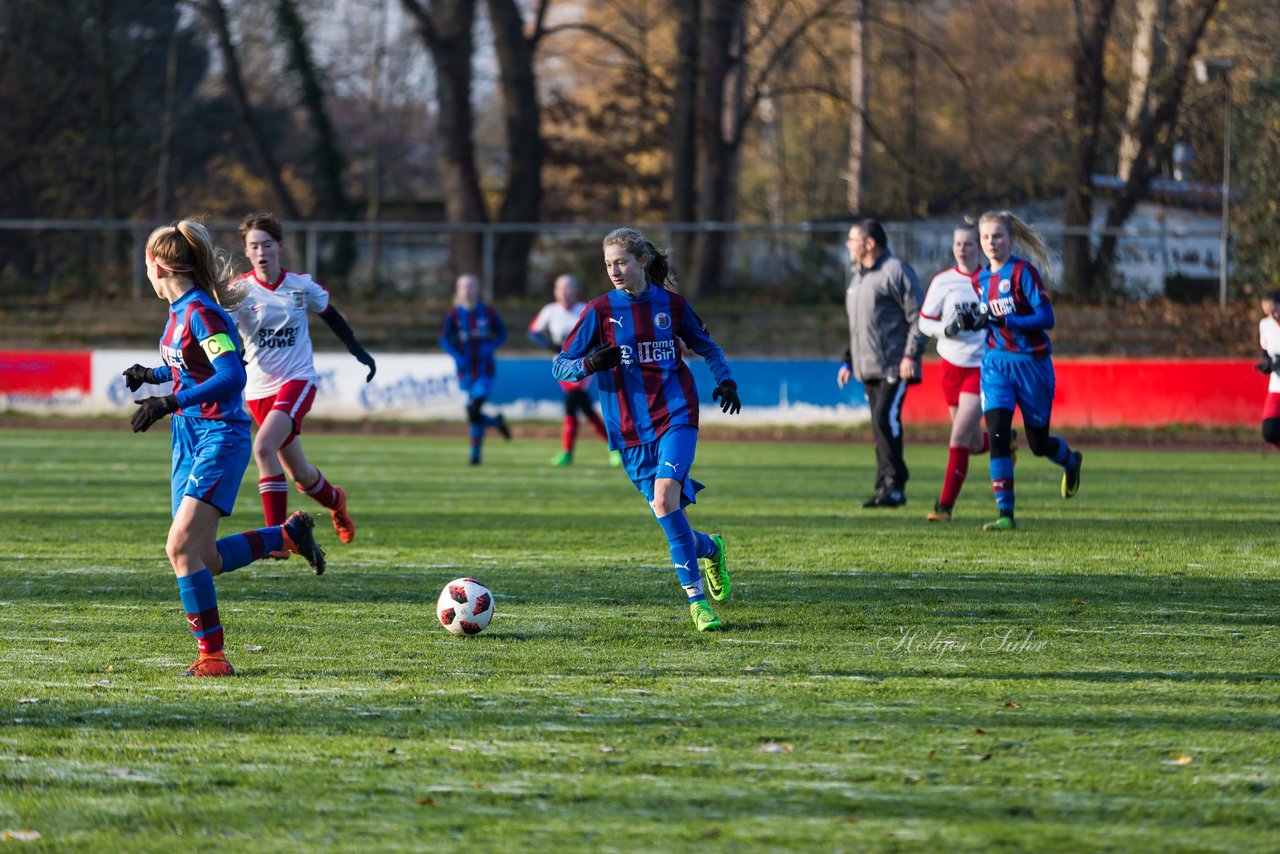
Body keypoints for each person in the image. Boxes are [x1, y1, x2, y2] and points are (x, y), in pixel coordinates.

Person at [123, 219, 327, 678]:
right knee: (204, 558)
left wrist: (168, 400)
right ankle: (286, 537)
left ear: (157, 266)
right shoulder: (180, 312)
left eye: (145, 266)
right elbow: (190, 366)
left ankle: (212, 656)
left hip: (219, 435)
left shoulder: (202, 312)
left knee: (179, 549)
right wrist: (152, 374)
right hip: (188, 438)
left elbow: (231, 376)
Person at [553, 227, 740, 632]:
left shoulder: (671, 305)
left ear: (642, 261)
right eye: (607, 265)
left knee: (664, 495)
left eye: (621, 262)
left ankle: (697, 603)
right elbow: (560, 364)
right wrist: (589, 364)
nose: (614, 271)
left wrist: (724, 379)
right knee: (666, 511)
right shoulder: (599, 311)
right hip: (628, 429)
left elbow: (708, 346)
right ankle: (711, 547)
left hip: (676, 414)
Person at [232, 213, 376, 551]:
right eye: (254, 246)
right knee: (300, 474)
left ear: (279, 246)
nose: (262, 251)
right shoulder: (238, 291)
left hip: (297, 382)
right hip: (257, 391)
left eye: (267, 244)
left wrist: (358, 350)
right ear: (247, 252)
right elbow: (224, 333)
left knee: (263, 447)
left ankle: (276, 539)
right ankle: (336, 501)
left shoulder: (300, 286)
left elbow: (332, 316)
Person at [962, 210, 1083, 531]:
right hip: (996, 365)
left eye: (997, 236)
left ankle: (1071, 461)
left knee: (1038, 444)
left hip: (1032, 365)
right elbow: (984, 319)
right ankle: (1006, 515)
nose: (991, 243)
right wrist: (967, 323)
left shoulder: (1023, 273)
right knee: (999, 435)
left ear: (1011, 240)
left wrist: (1006, 320)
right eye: (985, 237)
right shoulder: (978, 279)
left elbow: (1046, 319)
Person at [837, 219, 927, 508]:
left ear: (870, 243)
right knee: (879, 426)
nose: (848, 245)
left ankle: (895, 484)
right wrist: (848, 361)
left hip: (893, 366)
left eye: (853, 239)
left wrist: (910, 355)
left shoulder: (895, 271)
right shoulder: (858, 276)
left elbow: (919, 319)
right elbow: (860, 327)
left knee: (884, 419)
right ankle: (884, 487)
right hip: (868, 368)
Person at [917, 222, 992, 522]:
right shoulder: (943, 281)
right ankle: (1004, 439)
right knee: (972, 443)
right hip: (950, 367)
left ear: (979, 247)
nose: (962, 249)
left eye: (969, 244)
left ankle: (945, 507)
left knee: (958, 436)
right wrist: (945, 329)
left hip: (981, 367)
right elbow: (924, 321)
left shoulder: (990, 279)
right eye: (958, 244)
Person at [528, 273, 621, 467]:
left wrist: (592, 351)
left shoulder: (585, 309)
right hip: (562, 367)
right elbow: (533, 332)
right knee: (584, 408)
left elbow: (600, 333)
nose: (564, 291)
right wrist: (551, 346)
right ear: (555, 291)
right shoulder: (550, 310)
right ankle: (615, 448)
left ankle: (567, 452)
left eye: (568, 287)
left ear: (576, 290)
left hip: (585, 365)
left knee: (573, 402)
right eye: (560, 287)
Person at [440, 273, 511, 465]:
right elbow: (444, 340)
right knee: (472, 413)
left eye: (471, 286)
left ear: (477, 289)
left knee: (474, 408)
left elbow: (502, 333)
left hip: (484, 370)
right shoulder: (453, 314)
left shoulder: (487, 312)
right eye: (463, 286)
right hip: (464, 372)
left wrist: (490, 347)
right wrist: (457, 355)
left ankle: (475, 454)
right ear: (458, 290)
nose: (467, 290)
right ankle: (495, 422)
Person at [1253, 289, 1280, 448]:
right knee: (1270, 431)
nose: (1272, 315)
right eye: (1268, 313)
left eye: (1275, 310)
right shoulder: (1265, 325)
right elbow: (1266, 352)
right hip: (1277, 386)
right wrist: (1266, 364)